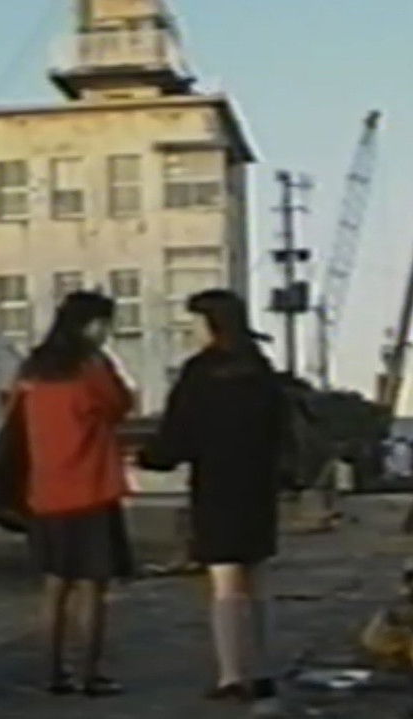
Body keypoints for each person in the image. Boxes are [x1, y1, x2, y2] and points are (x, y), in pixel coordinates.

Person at [137, 289, 285, 715]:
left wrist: (151, 458)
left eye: (196, 323)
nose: (192, 331)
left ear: (211, 325)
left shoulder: (200, 373)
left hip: (217, 485)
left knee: (225, 581)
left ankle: (232, 674)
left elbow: (178, 433)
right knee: (256, 579)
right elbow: (279, 428)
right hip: (258, 484)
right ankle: (262, 670)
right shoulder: (260, 369)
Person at [12, 291, 134, 697]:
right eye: (104, 323)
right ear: (90, 325)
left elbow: (13, 417)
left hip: (45, 492)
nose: (107, 331)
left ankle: (51, 673)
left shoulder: (32, 369)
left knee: (55, 585)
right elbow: (120, 405)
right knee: (92, 587)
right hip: (91, 489)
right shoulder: (91, 367)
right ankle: (89, 675)